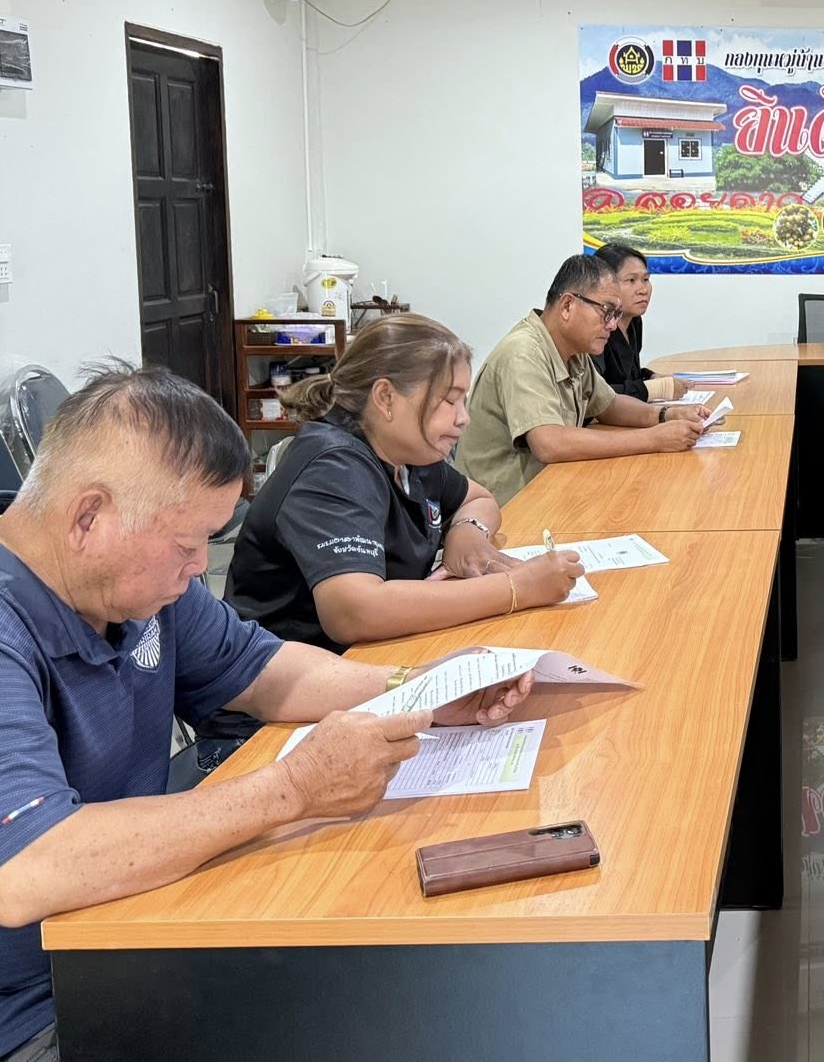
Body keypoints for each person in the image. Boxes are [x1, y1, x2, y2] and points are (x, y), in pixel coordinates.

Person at [0, 364, 534, 1062]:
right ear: (88, 517)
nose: (202, 568)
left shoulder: (132, 584)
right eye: (187, 544)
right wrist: (291, 790)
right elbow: (25, 870)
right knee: (316, 1056)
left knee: (369, 1009)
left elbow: (263, 672)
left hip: (97, 947)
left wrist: (423, 691)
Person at [200, 314, 585, 750]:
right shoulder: (333, 467)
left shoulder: (409, 453)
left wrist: (467, 534)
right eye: (449, 401)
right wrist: (517, 588)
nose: (464, 419)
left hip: (371, 674)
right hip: (277, 722)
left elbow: (478, 499)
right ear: (385, 398)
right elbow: (354, 611)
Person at [457, 255, 711, 502]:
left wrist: (666, 416)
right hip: (507, 508)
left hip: (552, 488)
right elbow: (550, 443)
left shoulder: (572, 349)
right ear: (567, 305)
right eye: (607, 312)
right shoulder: (523, 353)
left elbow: (609, 405)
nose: (613, 325)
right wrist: (654, 439)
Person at [591, 243, 676, 402]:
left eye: (645, 279)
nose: (643, 289)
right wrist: (657, 389)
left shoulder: (634, 321)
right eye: (631, 280)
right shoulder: (595, 327)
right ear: (604, 283)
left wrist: (652, 377)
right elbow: (596, 394)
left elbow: (629, 376)